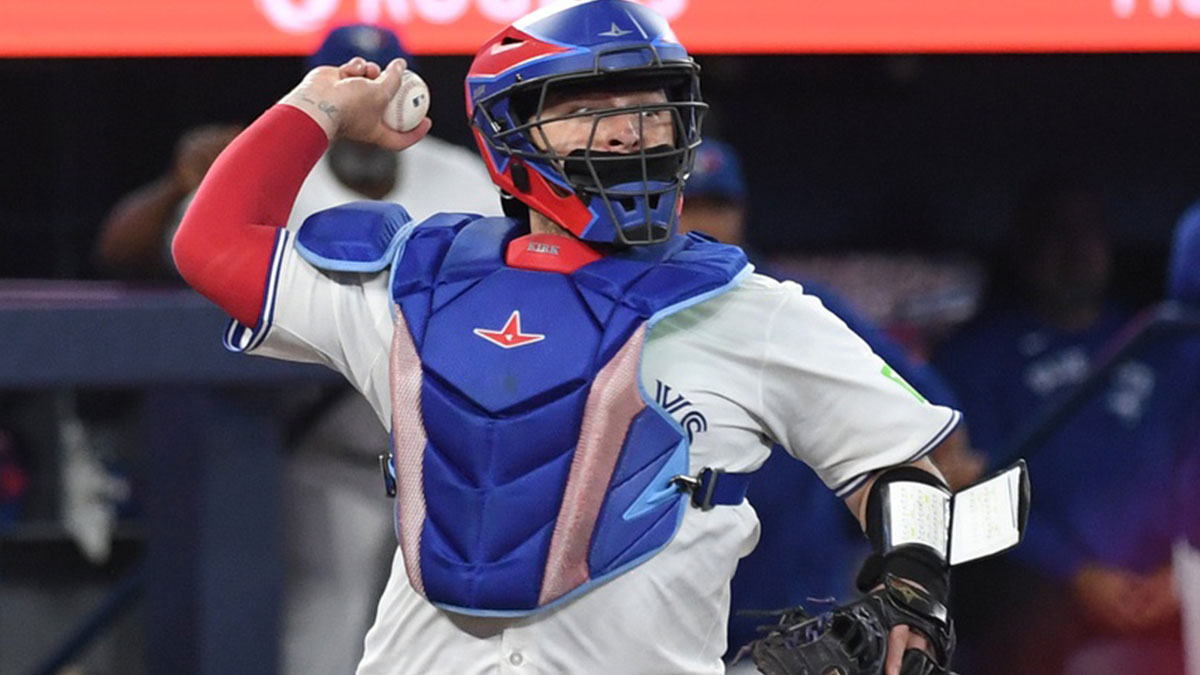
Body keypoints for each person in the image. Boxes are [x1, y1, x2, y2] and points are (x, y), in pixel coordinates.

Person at [173, 2, 968, 673]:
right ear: (510, 131)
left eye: (650, 107)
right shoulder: (411, 278)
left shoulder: (752, 309)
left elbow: (900, 466)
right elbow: (210, 245)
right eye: (589, 109)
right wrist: (317, 105)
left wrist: (915, 586)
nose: (630, 133)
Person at [98, 24, 500, 675]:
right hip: (325, 448)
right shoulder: (278, 171)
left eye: (384, 81)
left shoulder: (461, 179)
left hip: (448, 460)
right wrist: (181, 182)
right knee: (322, 625)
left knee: (455, 638)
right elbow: (135, 249)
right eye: (353, 82)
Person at [676, 139, 984, 662]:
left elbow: (934, 423)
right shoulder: (629, 312)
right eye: (691, 205)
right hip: (665, 615)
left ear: (743, 211)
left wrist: (902, 513)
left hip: (789, 613)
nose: (705, 222)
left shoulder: (786, 306)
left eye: (719, 205)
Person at [934, 177, 1194, 674]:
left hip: (1172, 582)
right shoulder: (974, 361)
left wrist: (1178, 574)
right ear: (1024, 249)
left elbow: (1191, 470)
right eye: (1054, 233)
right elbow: (968, 489)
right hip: (1039, 592)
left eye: (1088, 231)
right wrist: (1076, 575)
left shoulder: (1166, 349)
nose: (1074, 249)